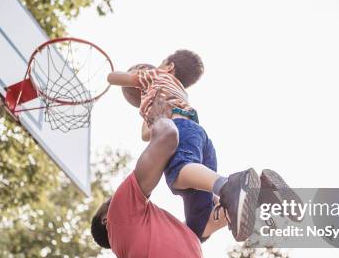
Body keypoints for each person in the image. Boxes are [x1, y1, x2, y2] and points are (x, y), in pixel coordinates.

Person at [91, 93, 237, 258]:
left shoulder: (178, 231)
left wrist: (254, 197)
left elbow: (213, 221)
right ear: (106, 218)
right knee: (179, 174)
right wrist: (158, 118)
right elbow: (167, 139)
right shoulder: (119, 216)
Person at [107, 52, 261, 242]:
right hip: (198, 135)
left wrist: (130, 77)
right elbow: (146, 133)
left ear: (169, 66)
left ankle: (227, 186)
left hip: (180, 130)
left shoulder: (153, 75)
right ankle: (261, 193)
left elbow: (114, 78)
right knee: (199, 226)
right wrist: (146, 104)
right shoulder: (175, 89)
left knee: (178, 172)